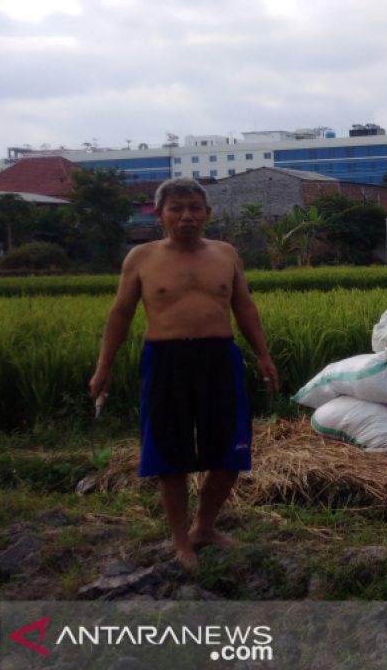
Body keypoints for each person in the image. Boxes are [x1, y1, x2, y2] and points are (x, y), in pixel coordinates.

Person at [89, 178, 279, 572]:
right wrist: (103, 365)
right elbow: (120, 313)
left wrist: (263, 355)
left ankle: (203, 527)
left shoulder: (226, 254)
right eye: (176, 208)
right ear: (159, 214)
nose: (186, 216)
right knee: (168, 453)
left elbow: (244, 307)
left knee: (231, 450)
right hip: (165, 360)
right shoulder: (141, 258)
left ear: (207, 213)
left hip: (219, 358)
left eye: (194, 207)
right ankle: (179, 541)